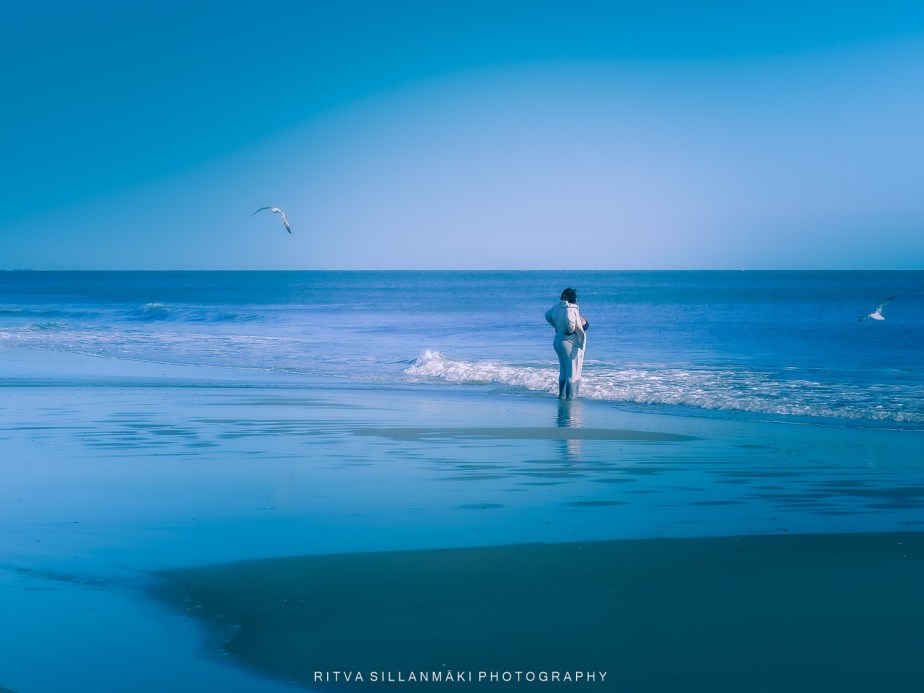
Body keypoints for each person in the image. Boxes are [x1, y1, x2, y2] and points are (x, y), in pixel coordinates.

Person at [544, 287, 589, 399]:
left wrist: (556, 326)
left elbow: (547, 315)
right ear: (574, 299)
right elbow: (570, 321)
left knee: (563, 371)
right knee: (572, 372)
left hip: (558, 340)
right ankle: (570, 398)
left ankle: (561, 395)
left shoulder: (557, 307)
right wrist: (570, 330)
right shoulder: (571, 309)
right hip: (569, 341)